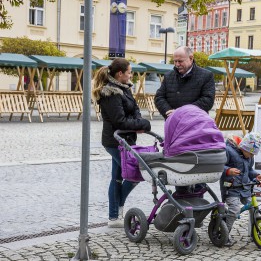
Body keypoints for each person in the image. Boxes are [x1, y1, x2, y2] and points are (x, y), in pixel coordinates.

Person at [92, 58, 151, 228]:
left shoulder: (124, 88)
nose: (131, 74)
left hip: (126, 140)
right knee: (135, 174)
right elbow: (120, 121)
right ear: (120, 74)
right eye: (129, 72)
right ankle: (117, 210)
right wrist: (142, 125)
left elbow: (135, 109)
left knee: (117, 178)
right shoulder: (110, 93)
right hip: (115, 141)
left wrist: (138, 121)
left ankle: (114, 216)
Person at [155, 46, 215, 194]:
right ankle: (182, 197)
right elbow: (159, 97)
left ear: (191, 58)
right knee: (179, 164)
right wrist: (168, 112)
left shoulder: (206, 76)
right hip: (174, 130)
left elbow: (207, 100)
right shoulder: (169, 76)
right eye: (175, 61)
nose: (177, 64)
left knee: (197, 164)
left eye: (180, 61)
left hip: (197, 130)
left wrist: (181, 113)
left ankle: (198, 197)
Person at [220, 132, 261, 247]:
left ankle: (255, 231)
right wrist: (228, 170)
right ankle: (224, 234)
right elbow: (219, 166)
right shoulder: (228, 151)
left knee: (253, 207)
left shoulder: (249, 157)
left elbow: (249, 170)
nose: (251, 156)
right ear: (243, 147)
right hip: (231, 188)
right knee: (234, 209)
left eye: (253, 155)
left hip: (244, 188)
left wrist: (256, 175)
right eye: (250, 153)